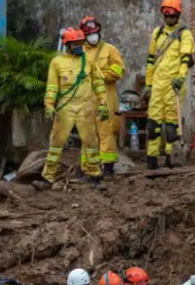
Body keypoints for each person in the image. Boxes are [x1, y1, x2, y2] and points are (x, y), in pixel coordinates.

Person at [35, 28, 109, 190]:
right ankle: (47, 178)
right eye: (75, 44)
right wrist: (49, 104)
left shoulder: (89, 60)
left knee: (91, 142)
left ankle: (95, 175)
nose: (78, 46)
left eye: (80, 43)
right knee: (56, 143)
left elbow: (98, 83)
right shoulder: (57, 62)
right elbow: (52, 86)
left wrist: (103, 103)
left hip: (85, 106)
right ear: (67, 44)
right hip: (65, 108)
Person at [144, 0, 195, 170]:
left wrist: (181, 77)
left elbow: (186, 58)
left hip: (174, 85)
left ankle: (169, 159)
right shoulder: (157, 33)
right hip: (157, 85)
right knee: (153, 125)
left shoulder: (184, 34)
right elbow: (151, 60)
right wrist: (148, 84)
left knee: (170, 127)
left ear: (178, 15)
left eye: (172, 15)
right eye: (166, 15)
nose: (169, 18)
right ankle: (151, 158)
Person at [81, 16, 126, 180]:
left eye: (94, 32)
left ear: (98, 31)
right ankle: (89, 169)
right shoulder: (81, 52)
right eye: (89, 34)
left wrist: (101, 75)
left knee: (107, 131)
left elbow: (119, 70)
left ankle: (108, 169)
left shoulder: (110, 49)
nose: (92, 36)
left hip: (106, 96)